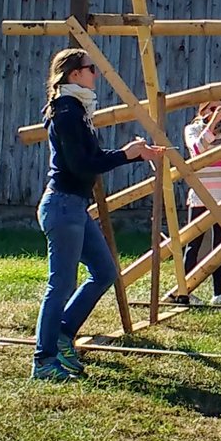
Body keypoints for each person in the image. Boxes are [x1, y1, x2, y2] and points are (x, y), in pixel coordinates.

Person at [35, 48, 159, 381]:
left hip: (74, 206)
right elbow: (82, 165)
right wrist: (125, 154)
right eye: (91, 69)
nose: (96, 74)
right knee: (60, 285)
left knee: (104, 272)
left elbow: (92, 157)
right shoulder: (66, 112)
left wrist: (134, 155)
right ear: (75, 74)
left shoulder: (77, 109)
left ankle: (62, 334)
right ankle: (43, 361)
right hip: (63, 206)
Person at [179, 100, 221, 307]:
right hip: (201, 194)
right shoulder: (193, 129)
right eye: (212, 108)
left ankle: (219, 293)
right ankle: (186, 291)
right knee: (194, 244)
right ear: (202, 110)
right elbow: (197, 149)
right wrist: (212, 122)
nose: (218, 112)